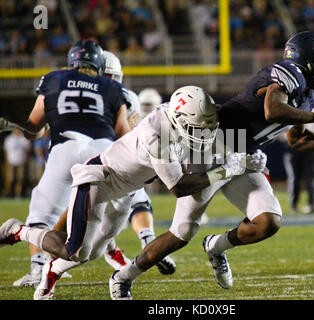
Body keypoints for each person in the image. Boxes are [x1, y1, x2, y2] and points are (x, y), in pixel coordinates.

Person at [96, 31, 314, 300]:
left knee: (268, 222)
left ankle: (216, 246)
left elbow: (296, 140)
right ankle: (123, 277)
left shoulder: (308, 96)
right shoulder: (288, 72)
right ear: (309, 59)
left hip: (245, 153)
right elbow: (272, 110)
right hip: (216, 142)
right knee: (182, 232)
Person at [0, 85, 256, 300]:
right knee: (75, 250)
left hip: (127, 189)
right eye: (197, 127)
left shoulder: (181, 118)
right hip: (99, 179)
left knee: (94, 251)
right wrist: (227, 170)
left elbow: (209, 129)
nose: (203, 133)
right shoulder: (157, 132)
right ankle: (18, 231)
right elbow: (179, 187)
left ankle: (51, 272)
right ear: (179, 120)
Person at [10, 39, 131, 288]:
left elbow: (32, 126)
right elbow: (124, 134)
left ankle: (38, 269)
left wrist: (37, 130)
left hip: (65, 147)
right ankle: (103, 252)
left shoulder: (54, 79)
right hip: (102, 153)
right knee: (93, 220)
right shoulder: (110, 86)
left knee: (41, 212)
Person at [101, 51, 176, 274]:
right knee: (136, 198)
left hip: (81, 158)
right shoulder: (124, 94)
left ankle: (45, 267)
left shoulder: (67, 86)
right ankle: (147, 241)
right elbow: (128, 134)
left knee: (81, 216)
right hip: (118, 159)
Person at [282, 110, 314, 214]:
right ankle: (294, 205)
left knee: (310, 177)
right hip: (294, 146)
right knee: (294, 177)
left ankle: (310, 204)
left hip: (308, 145)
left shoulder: (313, 107)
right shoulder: (287, 105)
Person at [3, 130, 31, 197]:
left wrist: (25, 160)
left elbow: (27, 150)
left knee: (19, 179)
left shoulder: (24, 138)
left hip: (21, 162)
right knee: (10, 179)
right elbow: (6, 151)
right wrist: (6, 161)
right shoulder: (9, 139)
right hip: (11, 162)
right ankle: (8, 194)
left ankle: (17, 195)